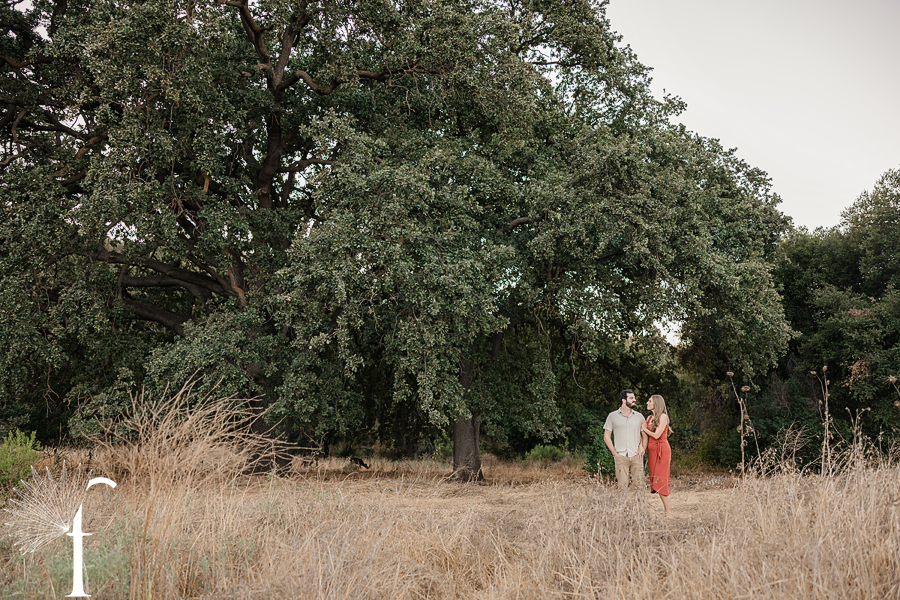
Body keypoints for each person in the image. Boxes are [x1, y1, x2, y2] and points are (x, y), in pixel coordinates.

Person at [603, 390, 647, 490]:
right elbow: (606, 436)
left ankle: (639, 505)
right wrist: (615, 453)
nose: (634, 400)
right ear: (623, 400)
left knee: (639, 486)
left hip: (637, 455)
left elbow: (644, 435)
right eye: (631, 398)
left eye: (634, 398)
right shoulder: (612, 416)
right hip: (621, 456)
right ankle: (623, 506)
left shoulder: (639, 416)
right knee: (622, 486)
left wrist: (642, 447)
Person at [642, 394, 672, 517]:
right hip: (652, 451)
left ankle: (668, 512)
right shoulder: (649, 418)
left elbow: (656, 435)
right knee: (655, 480)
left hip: (662, 450)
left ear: (656, 403)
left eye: (649, 401)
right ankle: (666, 510)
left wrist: (644, 428)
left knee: (661, 481)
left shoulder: (663, 417)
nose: (647, 403)